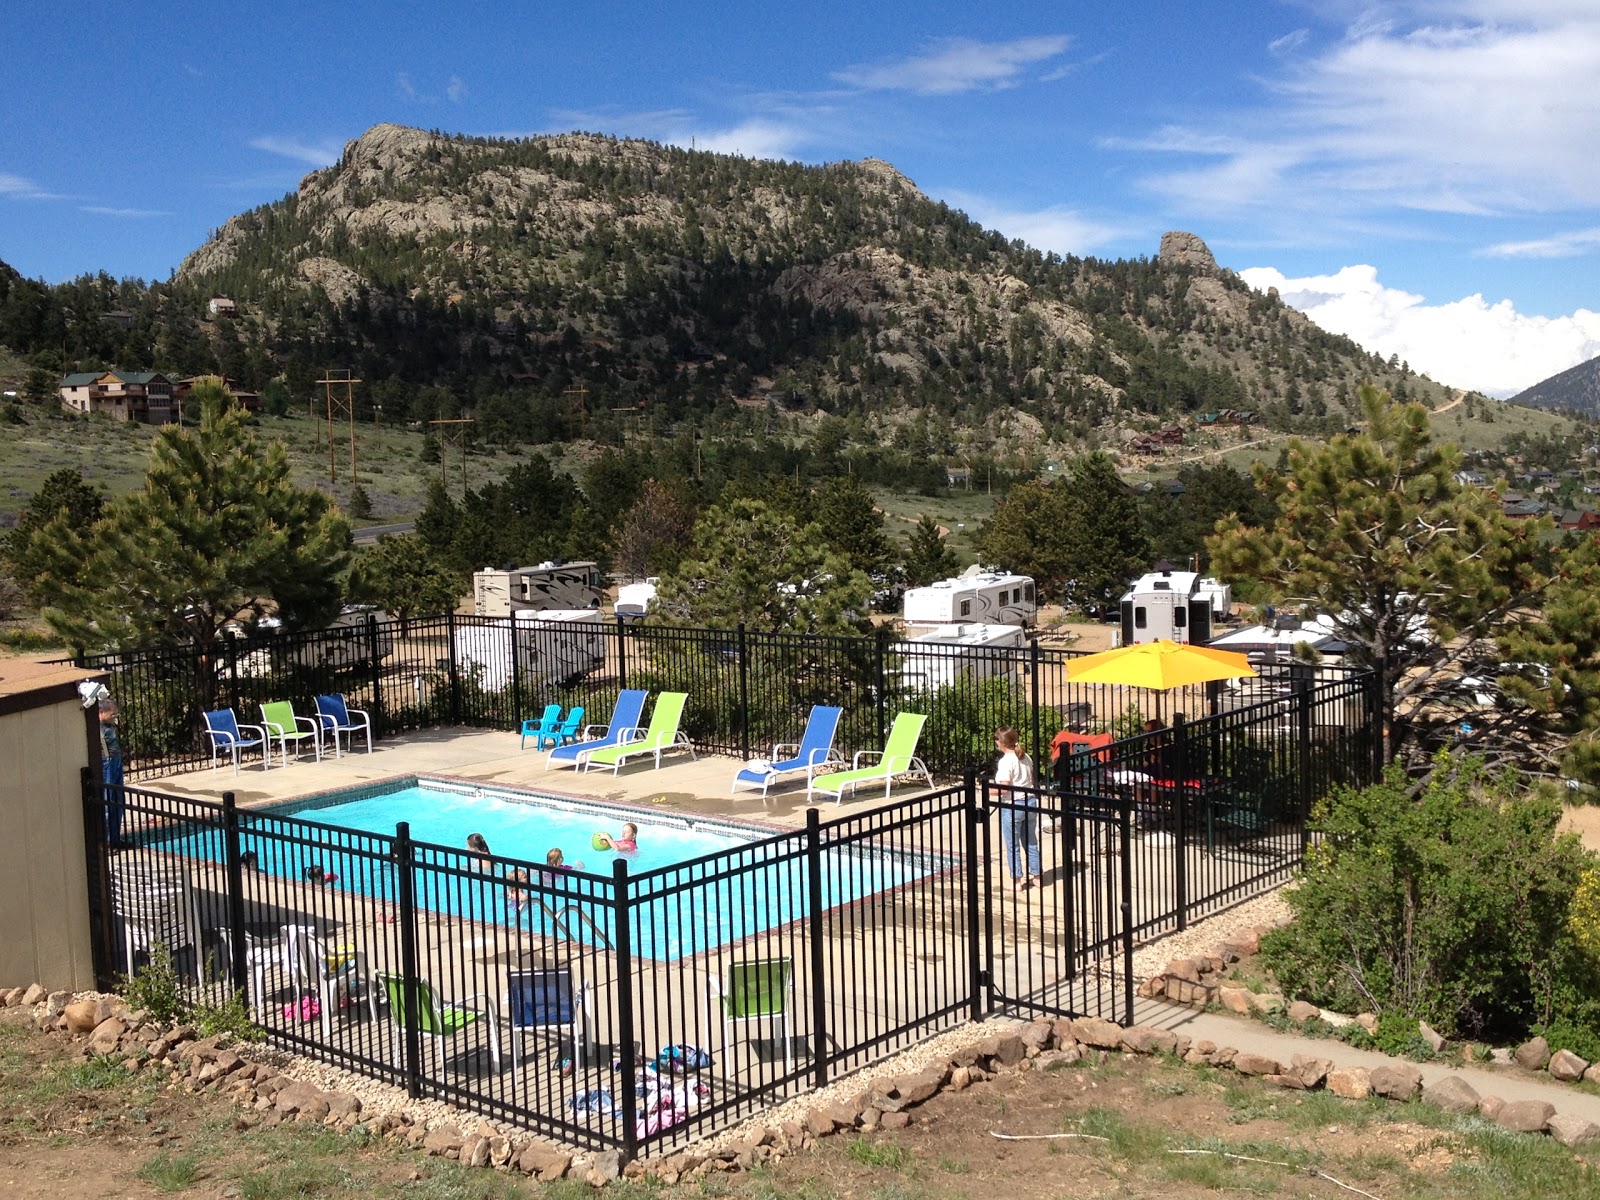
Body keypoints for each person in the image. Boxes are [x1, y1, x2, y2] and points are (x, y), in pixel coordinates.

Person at [994, 726, 1040, 892]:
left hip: (1013, 805)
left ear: (1001, 742)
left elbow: (1004, 788)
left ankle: (1016, 881)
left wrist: (988, 790)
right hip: (1030, 802)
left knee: (1012, 844)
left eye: (997, 740)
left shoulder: (1006, 761)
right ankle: (1037, 877)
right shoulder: (1025, 756)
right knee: (1030, 841)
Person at [98, 698, 127, 849]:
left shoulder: (109, 725)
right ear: (101, 713)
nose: (115, 717)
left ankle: (115, 838)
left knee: (118, 800)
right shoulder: (96, 726)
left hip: (116, 761)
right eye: (112, 714)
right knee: (108, 801)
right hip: (106, 763)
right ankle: (107, 841)